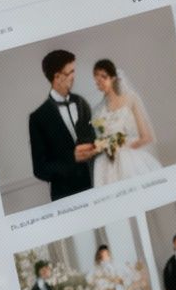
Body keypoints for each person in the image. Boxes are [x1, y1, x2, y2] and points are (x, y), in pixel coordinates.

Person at [27, 48, 97, 200]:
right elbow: (40, 169)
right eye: (69, 72)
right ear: (57, 77)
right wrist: (72, 159)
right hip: (66, 197)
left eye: (74, 71)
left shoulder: (81, 103)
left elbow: (92, 138)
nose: (74, 77)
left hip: (95, 185)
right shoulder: (38, 118)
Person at [88, 59, 164, 186]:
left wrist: (124, 148)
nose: (99, 81)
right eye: (96, 77)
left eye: (103, 76)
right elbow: (99, 138)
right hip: (107, 162)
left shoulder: (130, 99)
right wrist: (105, 146)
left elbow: (146, 136)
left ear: (113, 78)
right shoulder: (98, 110)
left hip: (128, 156)